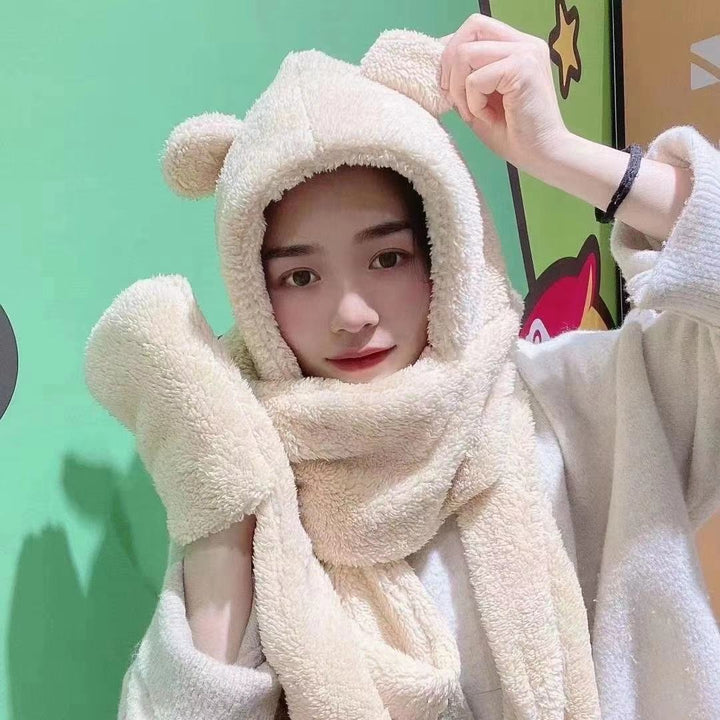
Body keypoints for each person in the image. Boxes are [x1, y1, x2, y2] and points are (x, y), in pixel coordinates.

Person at [86, 14, 720, 720]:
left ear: (443, 251)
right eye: (300, 277)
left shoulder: (574, 405)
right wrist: (219, 503)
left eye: (387, 258)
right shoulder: (258, 486)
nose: (351, 313)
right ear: (256, 294)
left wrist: (560, 153)